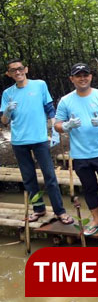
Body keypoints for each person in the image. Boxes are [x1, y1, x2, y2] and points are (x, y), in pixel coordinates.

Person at [54, 63, 98, 235]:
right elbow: (56, 125)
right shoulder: (65, 100)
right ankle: (96, 220)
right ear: (72, 79)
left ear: (91, 77)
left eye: (85, 74)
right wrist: (66, 125)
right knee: (89, 188)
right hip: (79, 153)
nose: (82, 78)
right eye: (78, 75)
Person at [1, 59, 72, 224]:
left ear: (26, 69)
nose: (18, 72)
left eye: (20, 69)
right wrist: (8, 111)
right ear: (9, 74)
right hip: (19, 141)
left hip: (39, 139)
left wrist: (55, 130)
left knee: (49, 176)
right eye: (13, 70)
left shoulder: (40, 85)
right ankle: (38, 208)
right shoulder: (7, 93)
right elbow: (4, 121)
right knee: (28, 177)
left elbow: (49, 108)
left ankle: (59, 211)